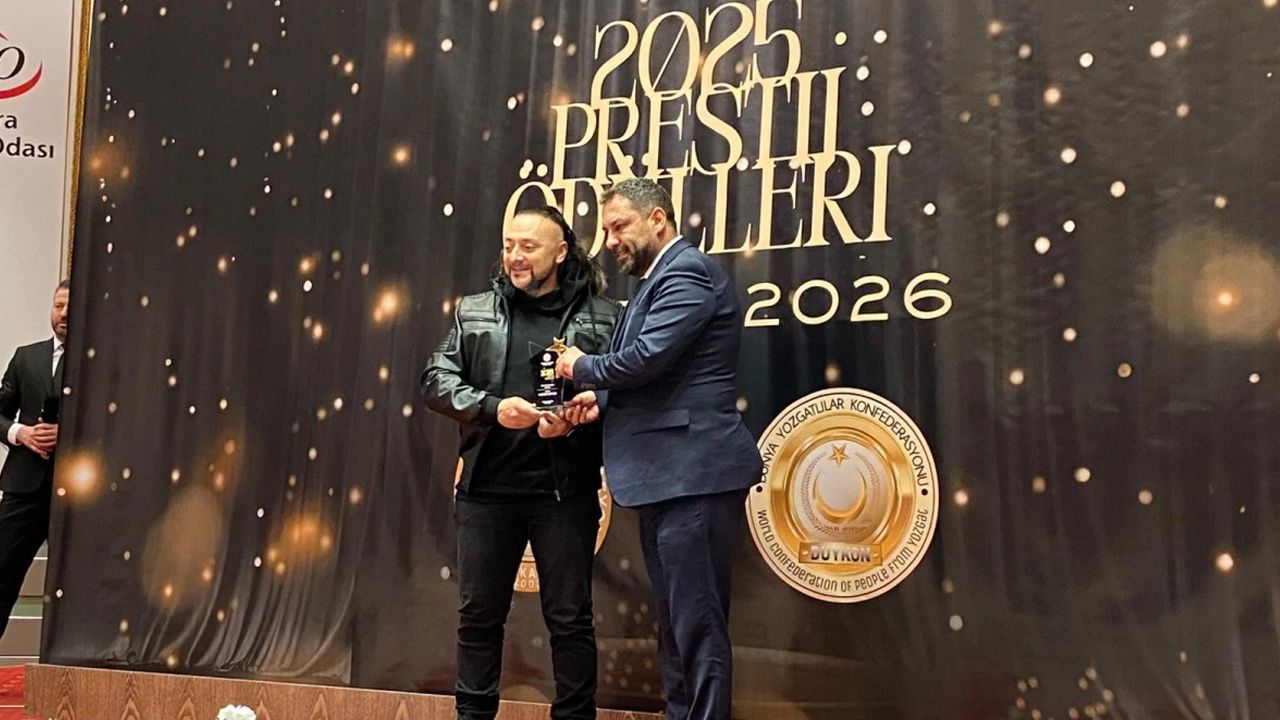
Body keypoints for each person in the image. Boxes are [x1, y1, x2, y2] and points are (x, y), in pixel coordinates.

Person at [555, 179, 762, 720]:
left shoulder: (686, 272)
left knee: (697, 628)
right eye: (605, 230)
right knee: (675, 626)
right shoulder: (658, 280)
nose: (609, 241)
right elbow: (657, 373)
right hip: (669, 479)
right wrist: (600, 400)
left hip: (692, 475)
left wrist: (581, 367)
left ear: (658, 219)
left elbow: (648, 357)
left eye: (619, 226)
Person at [421, 206, 621, 720]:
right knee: (478, 618)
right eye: (509, 245)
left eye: (528, 246)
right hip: (486, 492)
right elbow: (435, 380)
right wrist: (492, 408)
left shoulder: (604, 316)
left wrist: (576, 419)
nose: (514, 256)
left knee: (571, 620)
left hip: (566, 493)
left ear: (561, 251)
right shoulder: (474, 311)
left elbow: (621, 391)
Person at [0, 279, 70, 640]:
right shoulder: (26, 357)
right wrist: (21, 434)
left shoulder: (103, 364)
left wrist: (68, 435)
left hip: (77, 494)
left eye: (71, 307)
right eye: (58, 305)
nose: (64, 314)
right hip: (23, 488)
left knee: (74, 584)